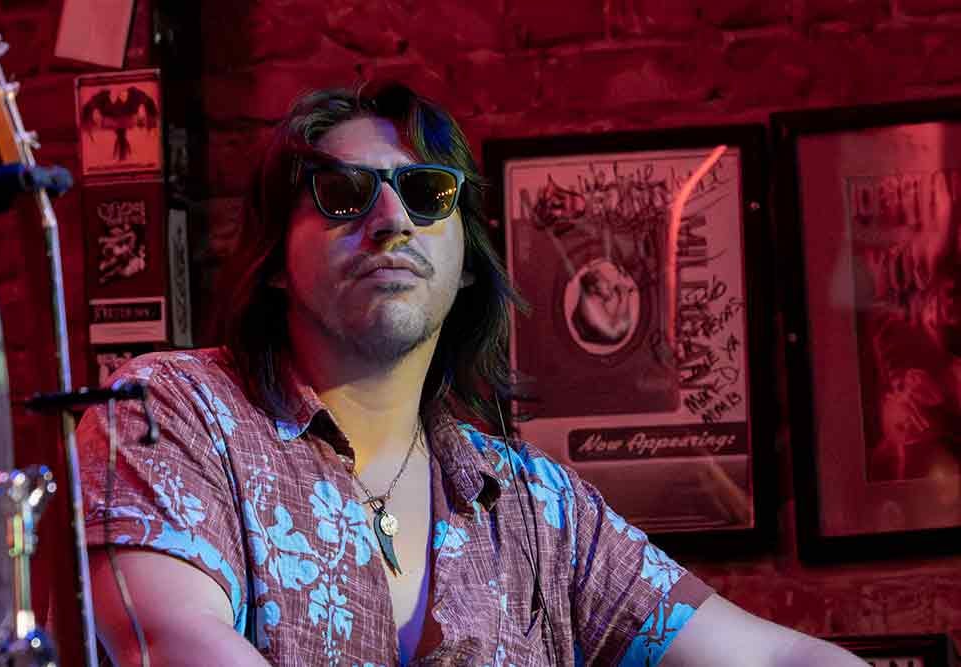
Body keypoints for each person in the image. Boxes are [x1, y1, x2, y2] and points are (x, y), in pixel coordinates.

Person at [78, 82, 868, 666]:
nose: (392, 220)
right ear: (276, 259)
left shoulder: (538, 509)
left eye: (428, 194)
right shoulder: (167, 412)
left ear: (463, 266)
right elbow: (175, 646)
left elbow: (769, 658)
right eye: (345, 195)